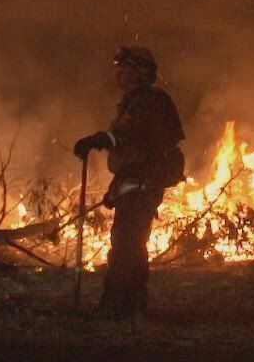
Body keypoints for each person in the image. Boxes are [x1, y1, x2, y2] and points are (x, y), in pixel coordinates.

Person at [72, 45, 185, 322]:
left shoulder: (148, 102)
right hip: (137, 182)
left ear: (139, 73)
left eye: (125, 70)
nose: (120, 76)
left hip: (143, 184)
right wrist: (114, 190)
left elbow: (124, 136)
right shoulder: (138, 101)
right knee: (131, 246)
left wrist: (96, 140)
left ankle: (115, 307)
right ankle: (131, 306)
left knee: (125, 246)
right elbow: (131, 155)